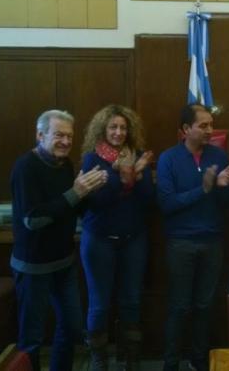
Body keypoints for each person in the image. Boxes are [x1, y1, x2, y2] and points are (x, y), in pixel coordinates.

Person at [10, 109, 108, 371]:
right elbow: (34, 220)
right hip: (33, 266)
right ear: (40, 135)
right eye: (58, 135)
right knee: (31, 339)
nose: (65, 141)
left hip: (63, 262)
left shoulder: (64, 165)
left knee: (73, 328)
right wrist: (76, 192)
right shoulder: (25, 167)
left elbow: (70, 208)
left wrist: (89, 191)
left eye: (69, 136)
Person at [156, 104, 229, 371]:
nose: (210, 130)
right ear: (185, 129)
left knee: (205, 306)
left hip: (212, 241)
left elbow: (227, 203)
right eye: (203, 126)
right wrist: (203, 189)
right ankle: (170, 363)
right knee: (179, 306)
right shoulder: (168, 158)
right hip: (181, 243)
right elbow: (167, 204)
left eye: (211, 125)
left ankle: (199, 361)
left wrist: (223, 187)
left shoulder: (218, 155)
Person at [79, 105, 155, 371]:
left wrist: (136, 175)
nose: (118, 132)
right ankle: (99, 361)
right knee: (99, 305)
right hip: (99, 240)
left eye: (123, 127)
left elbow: (148, 199)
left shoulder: (138, 156)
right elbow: (96, 202)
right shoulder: (92, 159)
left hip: (133, 240)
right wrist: (124, 179)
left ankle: (131, 360)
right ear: (103, 129)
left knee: (131, 301)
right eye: (113, 127)